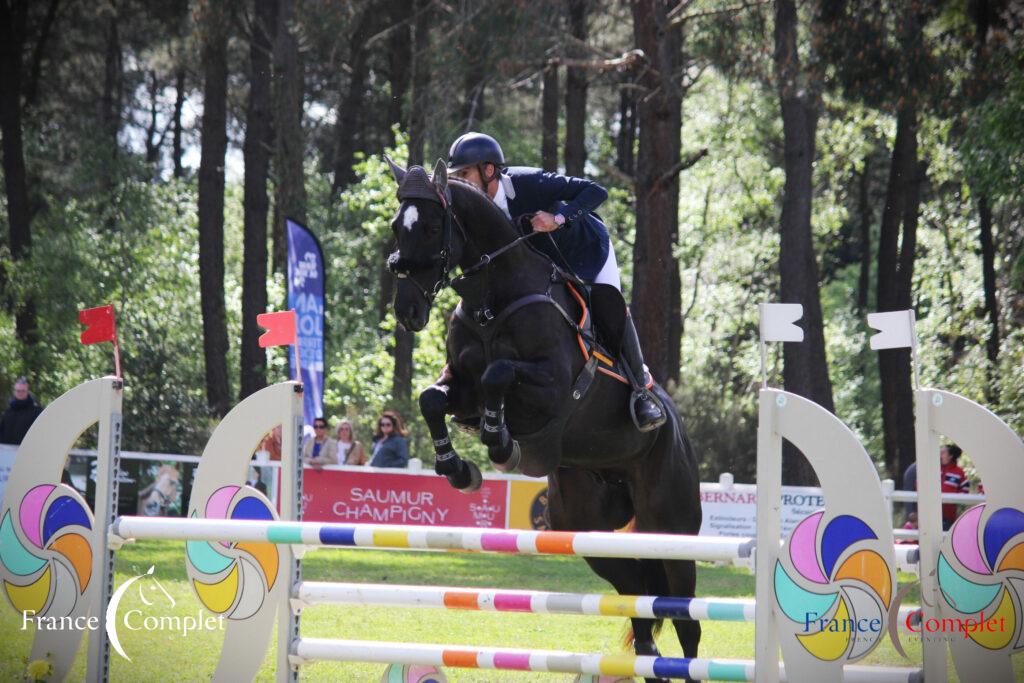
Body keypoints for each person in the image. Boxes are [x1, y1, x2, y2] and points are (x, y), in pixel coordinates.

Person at [446, 132, 665, 432]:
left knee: (610, 309)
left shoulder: (528, 182)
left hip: (587, 254)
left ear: (488, 170)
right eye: (455, 176)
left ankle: (642, 392)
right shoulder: (475, 212)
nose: (459, 182)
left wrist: (558, 219)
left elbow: (595, 191)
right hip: (545, 270)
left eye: (464, 173)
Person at [0, 377, 44, 445]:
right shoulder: (8, 412)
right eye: (18, 391)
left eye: (23, 391)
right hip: (6, 451)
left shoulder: (37, 412)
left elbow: (41, 434)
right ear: (14, 391)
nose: (20, 393)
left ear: (27, 391)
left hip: (28, 451)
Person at [939, 444, 969, 531]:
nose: (940, 455)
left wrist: (952, 499)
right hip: (929, 513)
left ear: (950, 456)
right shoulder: (932, 468)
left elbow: (965, 490)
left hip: (948, 516)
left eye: (943, 452)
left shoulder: (959, 472)